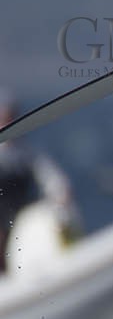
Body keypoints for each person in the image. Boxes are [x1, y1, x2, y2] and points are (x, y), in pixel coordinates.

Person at [0, 89, 77, 269]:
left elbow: (56, 183)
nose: (7, 119)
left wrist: (60, 202)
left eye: (10, 115)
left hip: (20, 220)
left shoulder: (28, 154)